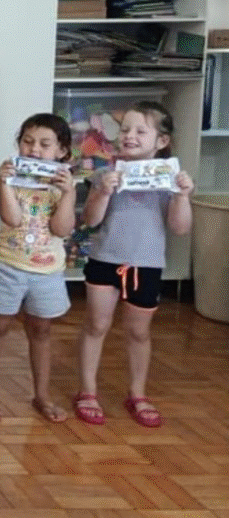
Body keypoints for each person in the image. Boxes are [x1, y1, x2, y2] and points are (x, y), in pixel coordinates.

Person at [74, 101, 193, 429]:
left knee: (139, 332)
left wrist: (183, 195)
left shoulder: (169, 178)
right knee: (96, 324)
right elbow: (90, 221)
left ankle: (137, 392)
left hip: (146, 263)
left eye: (141, 131)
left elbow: (180, 228)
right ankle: (87, 390)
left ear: (162, 141)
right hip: (104, 259)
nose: (129, 136)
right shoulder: (105, 172)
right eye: (125, 129)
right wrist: (103, 192)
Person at [0, 114, 76, 423]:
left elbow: (62, 229)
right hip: (8, 265)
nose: (34, 150)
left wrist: (70, 193)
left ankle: (42, 395)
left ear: (62, 152)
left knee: (41, 331)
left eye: (45, 144)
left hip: (48, 271)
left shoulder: (62, 186)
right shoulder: (9, 179)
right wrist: (4, 184)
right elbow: (12, 219)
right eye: (27, 142)